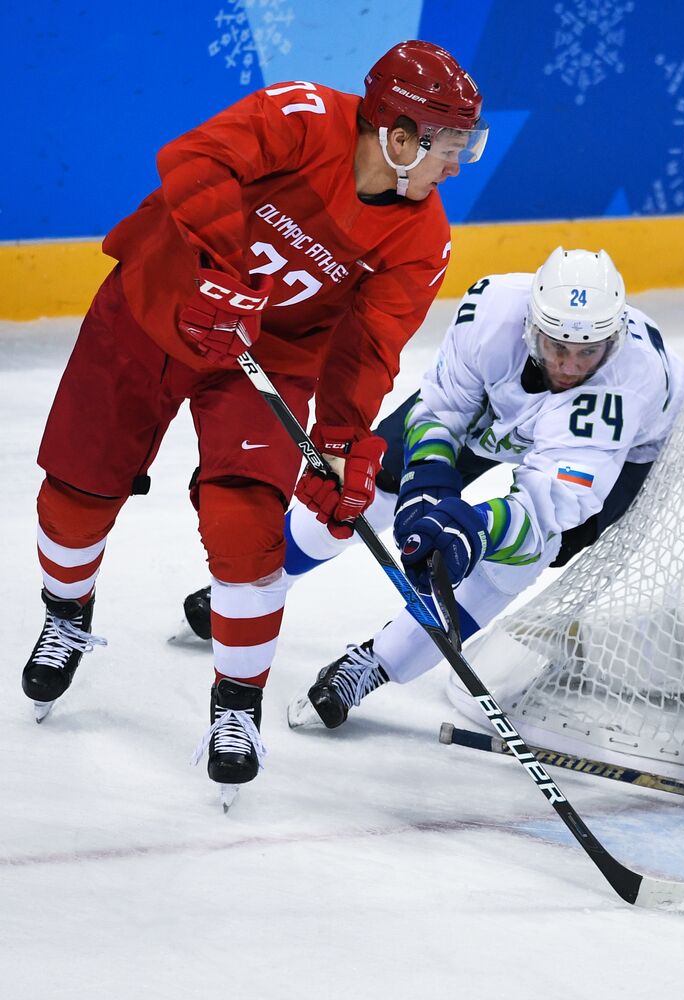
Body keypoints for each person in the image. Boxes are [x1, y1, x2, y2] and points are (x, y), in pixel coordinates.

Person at [21, 40, 488, 801]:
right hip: (155, 303)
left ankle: (237, 705)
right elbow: (195, 159)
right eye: (451, 145)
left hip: (269, 358)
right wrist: (221, 273)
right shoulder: (302, 117)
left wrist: (341, 442)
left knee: (248, 529)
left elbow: (369, 347)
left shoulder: (421, 237)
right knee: (78, 491)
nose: (458, 165)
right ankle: (66, 613)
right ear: (400, 138)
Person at [178, 246, 684, 731]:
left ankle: (374, 665)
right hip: (496, 406)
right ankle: (260, 584)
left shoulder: (625, 385)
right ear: (532, 328)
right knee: (374, 483)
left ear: (612, 342)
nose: (571, 366)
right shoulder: (492, 311)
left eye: (588, 351)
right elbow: (443, 409)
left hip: (619, 451)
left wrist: (475, 529)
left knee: (521, 557)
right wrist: (427, 484)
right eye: (558, 347)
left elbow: (548, 506)